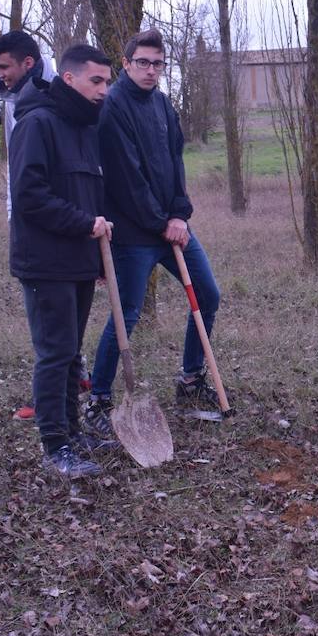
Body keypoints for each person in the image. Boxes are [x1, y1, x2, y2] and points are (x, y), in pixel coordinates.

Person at [85, 29, 223, 429]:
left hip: (173, 227)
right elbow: (126, 179)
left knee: (207, 295)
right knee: (126, 314)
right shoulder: (112, 108)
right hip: (133, 233)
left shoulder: (163, 104)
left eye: (157, 63)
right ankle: (99, 399)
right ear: (126, 64)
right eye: (142, 62)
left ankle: (191, 378)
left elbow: (176, 164)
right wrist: (161, 222)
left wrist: (180, 214)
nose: (150, 70)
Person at [9, 43, 118, 478]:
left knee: (73, 353)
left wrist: (95, 248)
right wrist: (83, 224)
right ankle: (56, 446)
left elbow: (91, 194)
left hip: (78, 260)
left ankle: (74, 431)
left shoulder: (85, 127)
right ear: (68, 78)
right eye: (96, 81)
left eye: (107, 82)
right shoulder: (36, 124)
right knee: (55, 354)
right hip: (44, 262)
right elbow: (29, 197)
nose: (104, 90)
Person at [0, 30, 48, 421]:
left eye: (4, 66)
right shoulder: (14, 99)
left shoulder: (54, 91)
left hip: (59, 216)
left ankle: (54, 393)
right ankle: (61, 382)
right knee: (43, 310)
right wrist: (14, 212)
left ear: (28, 63)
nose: (0, 74)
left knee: (51, 313)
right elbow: (17, 164)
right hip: (28, 216)